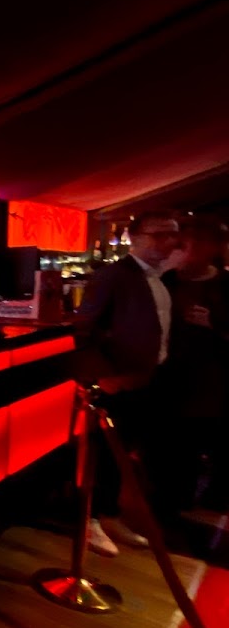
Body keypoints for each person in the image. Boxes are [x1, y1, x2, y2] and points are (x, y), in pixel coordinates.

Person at [73, 210, 182, 556]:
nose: (169, 242)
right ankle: (91, 522)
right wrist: (104, 375)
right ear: (134, 238)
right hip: (117, 382)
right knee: (105, 455)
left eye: (173, 235)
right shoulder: (113, 276)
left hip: (147, 379)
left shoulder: (161, 278)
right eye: (159, 234)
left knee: (124, 455)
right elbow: (84, 330)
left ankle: (110, 516)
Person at [161, 215, 229, 514]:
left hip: (217, 377)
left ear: (213, 247)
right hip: (173, 374)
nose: (189, 248)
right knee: (177, 442)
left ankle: (216, 500)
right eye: (185, 242)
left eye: (199, 242)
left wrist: (213, 323)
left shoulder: (225, 284)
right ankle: (177, 500)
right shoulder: (168, 280)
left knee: (218, 440)